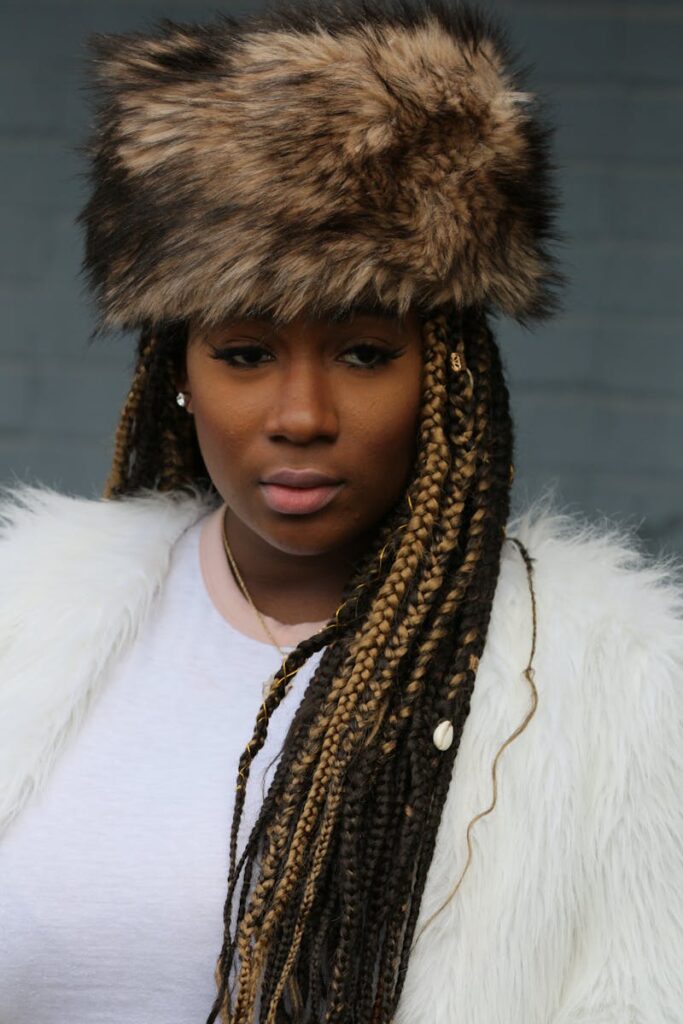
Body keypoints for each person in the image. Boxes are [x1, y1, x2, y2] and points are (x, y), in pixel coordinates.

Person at [0, 1, 681, 1022]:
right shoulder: (25, 612)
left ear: (444, 377)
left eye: (364, 353)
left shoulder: (611, 678)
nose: (302, 415)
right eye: (243, 353)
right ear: (174, 373)